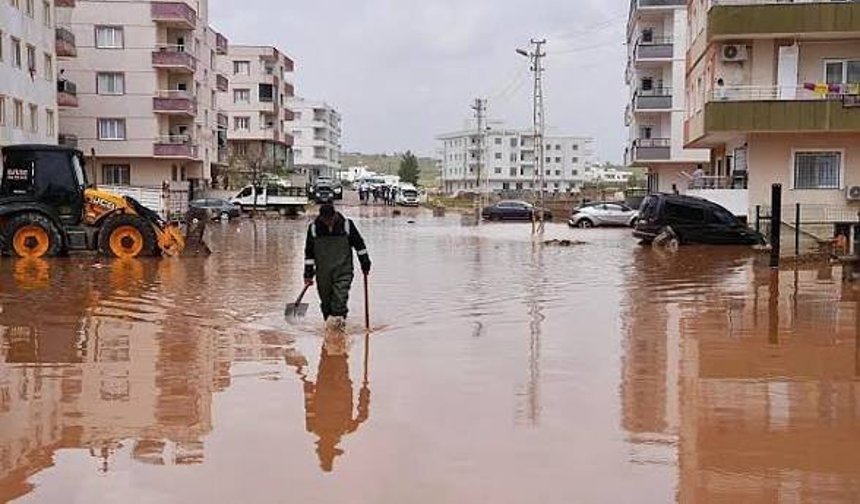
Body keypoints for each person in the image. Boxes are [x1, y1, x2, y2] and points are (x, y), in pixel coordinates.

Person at [304, 204, 371, 330]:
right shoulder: (313, 228)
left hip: (343, 270)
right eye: (325, 220)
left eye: (330, 219)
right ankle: (330, 331)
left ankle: (339, 331)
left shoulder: (346, 225)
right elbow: (309, 253)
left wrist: (365, 262)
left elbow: (359, 245)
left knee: (340, 299)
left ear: (334, 215)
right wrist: (308, 274)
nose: (328, 222)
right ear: (321, 217)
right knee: (326, 302)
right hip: (323, 272)